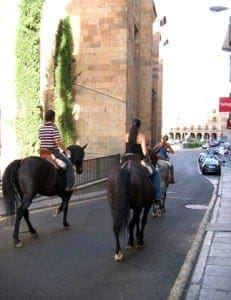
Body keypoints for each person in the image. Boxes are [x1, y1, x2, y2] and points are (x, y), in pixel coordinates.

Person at [124, 118, 162, 203]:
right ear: (139, 126)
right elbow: (145, 152)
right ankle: (157, 197)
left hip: (125, 158)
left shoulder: (126, 135)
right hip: (138, 159)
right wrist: (148, 158)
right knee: (155, 174)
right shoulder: (141, 136)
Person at [38, 109, 75, 191]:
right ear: (53, 118)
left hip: (42, 152)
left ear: (46, 118)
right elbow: (57, 142)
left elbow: (41, 140)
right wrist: (65, 150)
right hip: (53, 152)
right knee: (69, 166)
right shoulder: (54, 129)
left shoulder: (41, 129)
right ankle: (69, 186)